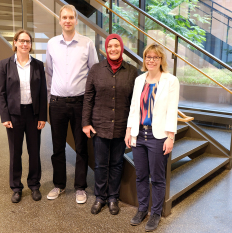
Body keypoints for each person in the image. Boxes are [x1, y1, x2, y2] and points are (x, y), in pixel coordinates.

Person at [45, 4, 98, 204]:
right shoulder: (51, 44)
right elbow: (49, 72)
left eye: (71, 17)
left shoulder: (87, 43)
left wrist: (90, 103)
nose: (67, 20)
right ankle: (59, 185)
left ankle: (80, 188)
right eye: (64, 17)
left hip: (80, 103)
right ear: (60, 20)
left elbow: (93, 73)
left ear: (76, 20)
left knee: (81, 147)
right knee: (57, 147)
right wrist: (51, 99)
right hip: (57, 104)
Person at [125, 43, 179, 231]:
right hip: (139, 135)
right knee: (140, 175)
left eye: (155, 57)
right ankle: (142, 210)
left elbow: (172, 110)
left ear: (161, 60)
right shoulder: (140, 80)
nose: (151, 60)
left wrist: (170, 137)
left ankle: (155, 213)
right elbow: (133, 107)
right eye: (148, 57)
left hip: (158, 136)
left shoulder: (170, 81)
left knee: (157, 177)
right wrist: (129, 130)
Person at [82, 34, 138, 215]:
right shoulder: (96, 69)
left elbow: (135, 103)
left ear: (121, 48)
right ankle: (100, 197)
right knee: (100, 164)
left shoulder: (131, 71)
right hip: (99, 125)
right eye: (110, 46)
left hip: (122, 126)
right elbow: (88, 98)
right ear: (106, 49)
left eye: (117, 46)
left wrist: (132, 128)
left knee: (116, 163)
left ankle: (113, 197)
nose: (113, 49)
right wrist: (86, 123)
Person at [0, 29, 47, 203]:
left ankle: (34, 185)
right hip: (14, 115)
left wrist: (42, 116)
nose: (25, 44)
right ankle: (16, 187)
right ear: (15, 43)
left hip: (33, 115)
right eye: (22, 41)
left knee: (34, 152)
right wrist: (5, 116)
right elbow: (1, 93)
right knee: (15, 153)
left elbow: (42, 93)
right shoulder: (5, 65)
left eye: (28, 41)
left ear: (31, 45)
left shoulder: (38, 65)